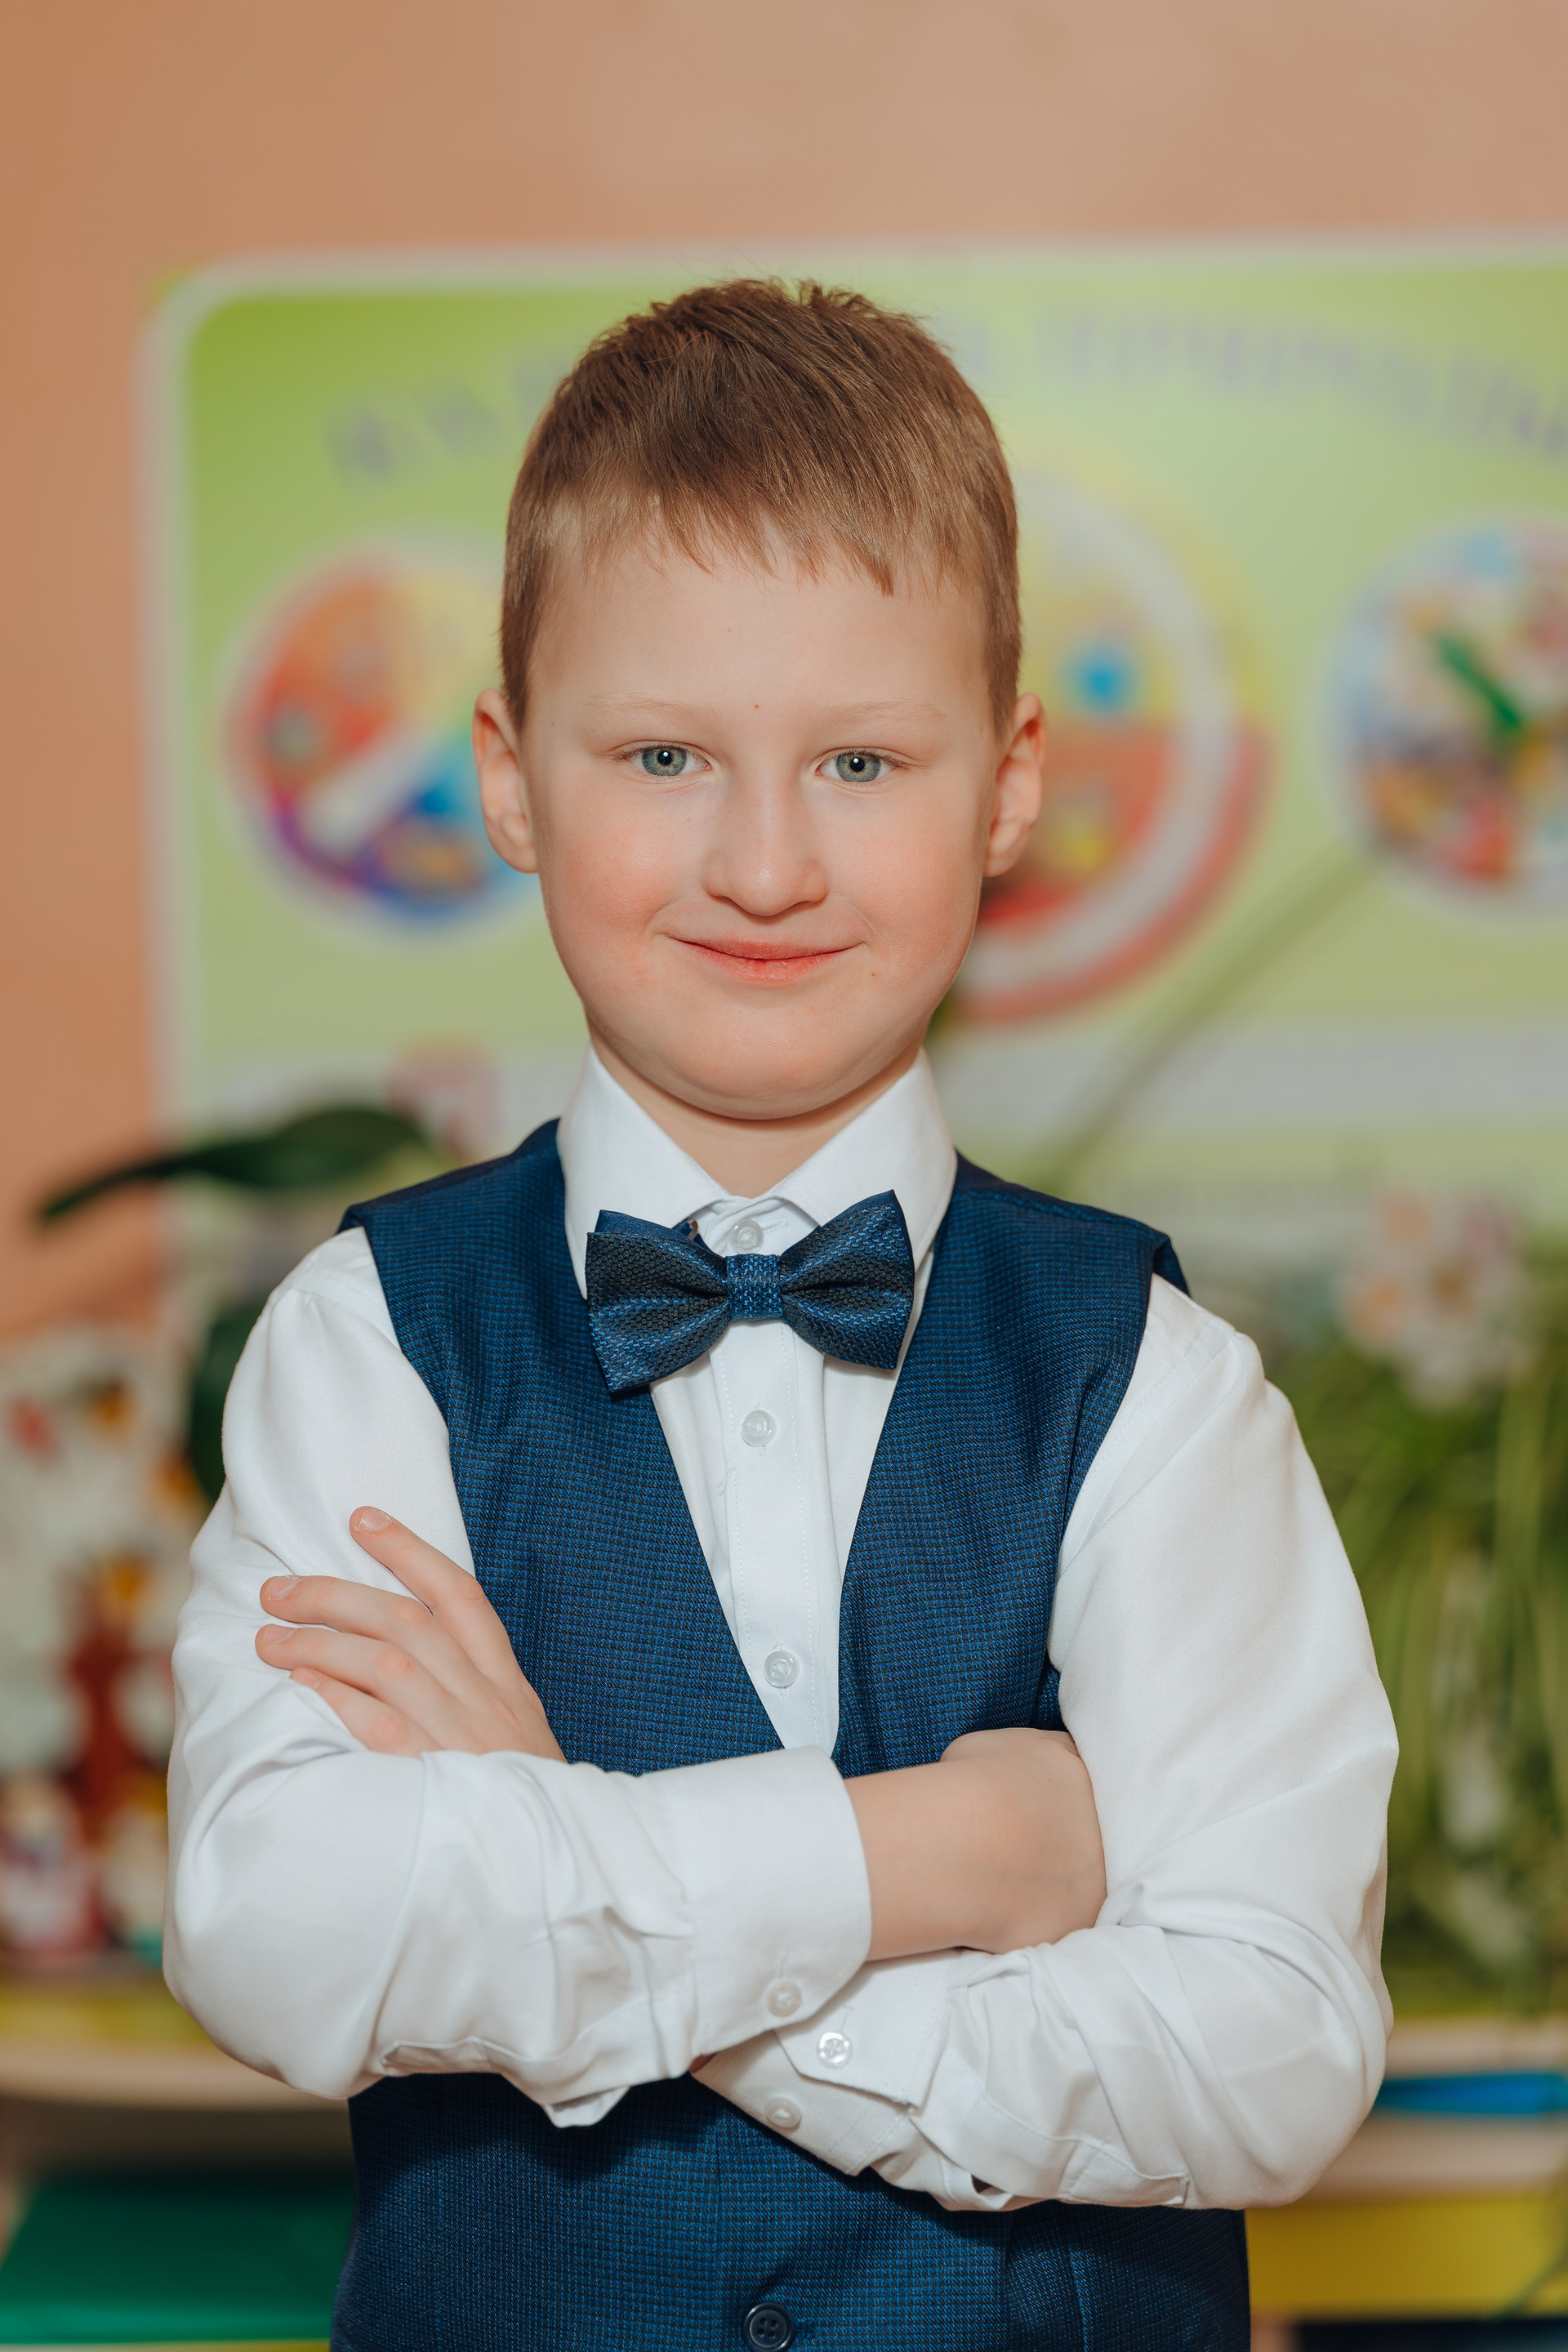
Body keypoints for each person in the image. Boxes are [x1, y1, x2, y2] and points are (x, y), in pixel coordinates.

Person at [166, 281, 1396, 2352]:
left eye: (858, 760)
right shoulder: (370, 1336)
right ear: (511, 779)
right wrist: (936, 1861)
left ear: (1006, 785)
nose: (762, 862)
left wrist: (578, 1862)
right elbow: (277, 1929)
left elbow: (1268, 2050)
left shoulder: (1159, 1385)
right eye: (664, 755)